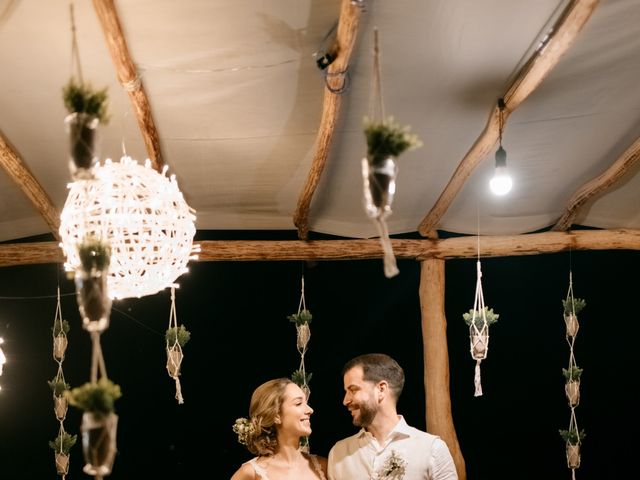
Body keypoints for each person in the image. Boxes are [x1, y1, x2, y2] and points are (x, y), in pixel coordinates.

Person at [328, 353, 458, 480]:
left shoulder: (431, 449)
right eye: (346, 392)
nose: (345, 401)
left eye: (353, 390)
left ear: (381, 389)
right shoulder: (339, 453)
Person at [231, 377, 328, 480]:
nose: (310, 410)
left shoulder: (323, 466)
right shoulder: (250, 473)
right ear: (276, 416)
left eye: (307, 403)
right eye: (298, 403)